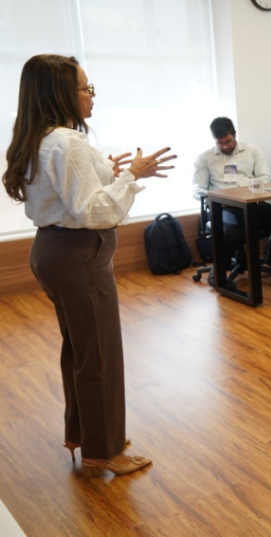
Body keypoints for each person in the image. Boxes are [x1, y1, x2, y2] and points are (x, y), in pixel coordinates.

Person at [2, 55, 177, 476]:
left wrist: (109, 174)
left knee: (80, 350)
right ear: (61, 92)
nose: (92, 95)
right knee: (99, 354)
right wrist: (130, 176)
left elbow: (69, 195)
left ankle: (84, 432)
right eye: (86, 88)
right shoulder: (68, 142)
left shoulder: (39, 137)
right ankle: (104, 450)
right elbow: (93, 211)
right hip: (78, 255)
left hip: (52, 252)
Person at [192, 117, 271, 277]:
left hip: (253, 203)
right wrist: (214, 197)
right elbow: (197, 188)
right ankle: (218, 272)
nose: (225, 146)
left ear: (234, 134)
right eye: (220, 143)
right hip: (225, 208)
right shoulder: (205, 158)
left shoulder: (252, 150)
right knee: (234, 232)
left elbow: (265, 177)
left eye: (228, 141)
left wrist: (254, 189)